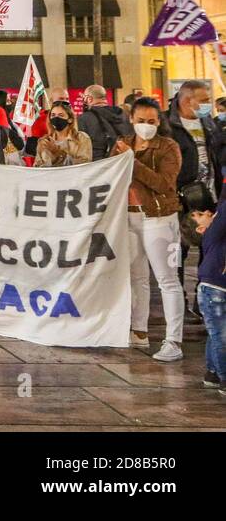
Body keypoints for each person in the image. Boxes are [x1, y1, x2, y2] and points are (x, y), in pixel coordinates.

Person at [113, 97, 184, 361]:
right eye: (141, 121)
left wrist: (132, 161)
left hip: (160, 218)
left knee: (167, 280)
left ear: (159, 121)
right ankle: (139, 332)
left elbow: (164, 183)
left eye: (151, 121)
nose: (146, 126)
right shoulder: (123, 143)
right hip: (129, 218)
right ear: (131, 120)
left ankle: (173, 341)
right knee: (137, 277)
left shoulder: (167, 146)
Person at [167, 79, 225, 323]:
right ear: (186, 100)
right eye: (203, 100)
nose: (207, 105)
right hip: (180, 199)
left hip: (209, 196)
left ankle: (204, 299)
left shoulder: (208, 122)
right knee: (177, 253)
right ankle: (178, 301)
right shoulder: (168, 124)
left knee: (210, 249)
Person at [187, 194, 225, 395]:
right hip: (215, 291)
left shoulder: (216, 234)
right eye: (200, 215)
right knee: (221, 336)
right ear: (200, 229)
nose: (208, 213)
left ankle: (212, 373)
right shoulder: (212, 234)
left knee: (215, 332)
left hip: (215, 290)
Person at [34, 101, 93, 167]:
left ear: (70, 119)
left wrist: (58, 154)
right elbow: (37, 168)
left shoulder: (81, 138)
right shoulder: (43, 141)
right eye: (53, 115)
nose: (56, 118)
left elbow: (85, 167)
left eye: (61, 115)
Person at [78, 84, 127, 161]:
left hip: (97, 163)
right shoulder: (120, 114)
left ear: (89, 99)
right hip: (119, 161)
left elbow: (83, 147)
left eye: (84, 98)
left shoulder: (84, 118)